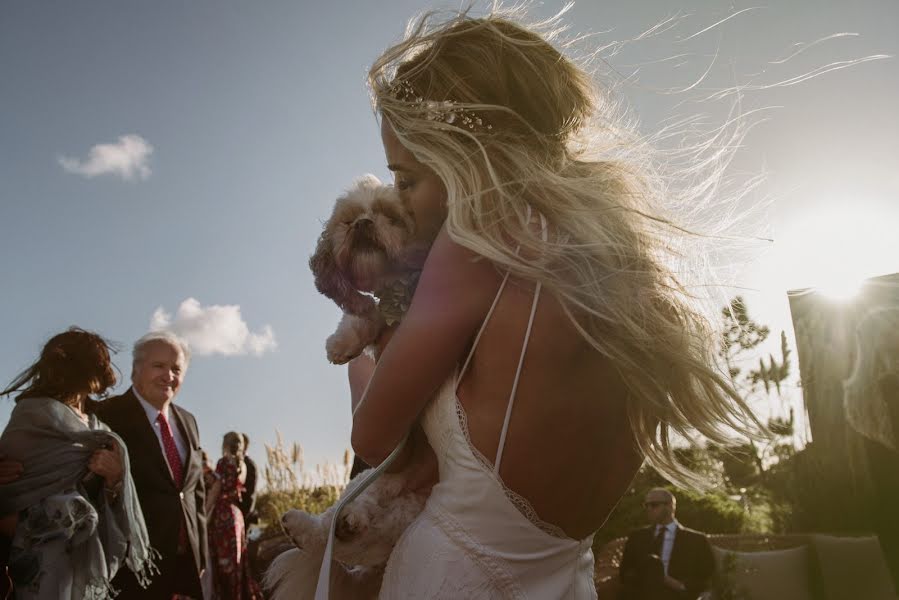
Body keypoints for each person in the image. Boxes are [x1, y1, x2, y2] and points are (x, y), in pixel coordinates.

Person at [349, 8, 763, 598]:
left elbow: (371, 436)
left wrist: (366, 334)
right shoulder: (630, 276)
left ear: (463, 153)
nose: (402, 199)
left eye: (408, 178)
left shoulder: (473, 242)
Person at [0, 328, 155, 599]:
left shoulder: (99, 429)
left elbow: (111, 499)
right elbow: (13, 488)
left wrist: (114, 479)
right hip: (37, 560)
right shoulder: (32, 414)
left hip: (83, 560)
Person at [95, 330, 208, 599]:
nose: (169, 376)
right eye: (159, 366)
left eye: (176, 369)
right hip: (132, 566)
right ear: (136, 369)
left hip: (186, 567)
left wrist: (200, 553)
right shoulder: (107, 415)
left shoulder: (188, 421)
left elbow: (196, 492)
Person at [619, 488, 715, 600]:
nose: (649, 509)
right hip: (642, 595)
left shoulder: (696, 540)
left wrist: (679, 585)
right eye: (647, 505)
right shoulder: (637, 537)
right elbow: (625, 571)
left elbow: (706, 575)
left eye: (654, 505)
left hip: (678, 595)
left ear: (670, 506)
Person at [205, 431, 263, 600]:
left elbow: (216, 490)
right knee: (236, 564)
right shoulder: (243, 465)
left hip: (223, 515)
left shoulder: (223, 462)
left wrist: (206, 514)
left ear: (225, 444)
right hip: (237, 517)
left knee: (222, 564)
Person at [237, 433, 258, 527]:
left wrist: (245, 514)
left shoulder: (249, 465)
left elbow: (251, 492)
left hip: (244, 513)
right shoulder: (232, 463)